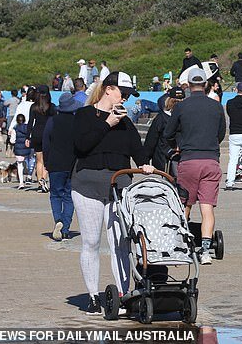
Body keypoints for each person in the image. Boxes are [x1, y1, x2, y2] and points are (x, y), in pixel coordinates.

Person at [72, 71, 152, 315]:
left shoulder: (126, 122)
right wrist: (107, 124)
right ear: (108, 89)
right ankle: (94, 297)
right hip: (87, 186)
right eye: (123, 92)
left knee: (121, 242)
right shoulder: (84, 115)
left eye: (128, 95)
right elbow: (81, 146)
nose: (125, 98)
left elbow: (138, 153)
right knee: (91, 241)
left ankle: (123, 294)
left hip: (119, 187)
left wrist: (147, 164)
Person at [163, 67, 226, 265]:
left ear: (189, 86)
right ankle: (205, 251)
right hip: (210, 160)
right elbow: (221, 133)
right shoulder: (216, 106)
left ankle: (182, 244)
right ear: (206, 84)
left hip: (189, 159)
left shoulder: (182, 107)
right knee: (207, 208)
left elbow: (168, 133)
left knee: (185, 205)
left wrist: (179, 144)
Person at [43, 93, 79, 241]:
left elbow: (46, 143)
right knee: (69, 196)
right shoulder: (77, 122)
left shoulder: (52, 121)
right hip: (72, 163)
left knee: (55, 194)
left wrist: (46, 161)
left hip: (55, 163)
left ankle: (58, 220)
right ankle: (65, 228)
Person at [144, 87, 185, 173]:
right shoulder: (186, 118)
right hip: (179, 159)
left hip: (163, 160)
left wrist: (145, 160)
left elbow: (151, 140)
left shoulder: (161, 118)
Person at [26, 85, 56, 193]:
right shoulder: (51, 107)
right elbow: (55, 121)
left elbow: (30, 123)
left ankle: (40, 183)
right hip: (48, 133)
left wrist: (27, 136)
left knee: (39, 161)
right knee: (48, 159)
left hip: (36, 133)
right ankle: (44, 178)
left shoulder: (34, 107)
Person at [12, 114, 30, 190]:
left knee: (20, 165)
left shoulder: (15, 128)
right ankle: (29, 176)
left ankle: (21, 182)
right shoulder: (28, 127)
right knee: (29, 162)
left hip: (18, 149)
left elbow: (12, 141)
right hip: (27, 148)